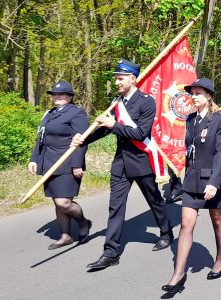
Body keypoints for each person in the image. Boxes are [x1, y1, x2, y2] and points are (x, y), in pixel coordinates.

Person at [71, 59, 173, 270]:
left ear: (133, 78)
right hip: (121, 164)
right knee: (115, 208)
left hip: (142, 161)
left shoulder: (146, 102)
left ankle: (166, 232)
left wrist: (114, 124)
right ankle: (110, 252)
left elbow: (140, 133)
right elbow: (105, 129)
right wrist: (84, 138)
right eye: (116, 78)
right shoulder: (116, 102)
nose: (117, 81)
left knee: (154, 200)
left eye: (120, 78)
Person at [162, 78, 221, 296]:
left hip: (212, 180)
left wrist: (214, 182)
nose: (194, 97)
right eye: (192, 93)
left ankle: (220, 258)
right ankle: (178, 274)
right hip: (192, 179)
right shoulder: (190, 119)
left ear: (209, 96)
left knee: (217, 219)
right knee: (185, 224)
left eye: (198, 93)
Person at [29, 81, 92, 250]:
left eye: (61, 94)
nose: (57, 96)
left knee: (63, 202)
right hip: (49, 162)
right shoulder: (49, 114)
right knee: (57, 202)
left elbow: (82, 140)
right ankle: (66, 235)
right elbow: (40, 139)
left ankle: (83, 222)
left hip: (67, 161)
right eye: (54, 94)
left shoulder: (76, 113)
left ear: (70, 97)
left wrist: (77, 164)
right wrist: (33, 159)